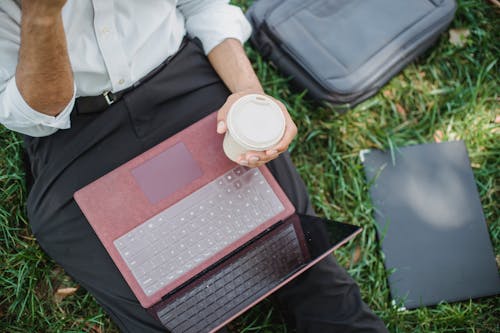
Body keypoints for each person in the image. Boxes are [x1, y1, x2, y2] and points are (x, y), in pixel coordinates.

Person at [0, 1, 389, 332]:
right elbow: (33, 113)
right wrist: (42, 17)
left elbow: (203, 6)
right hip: (73, 132)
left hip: (182, 87)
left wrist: (248, 94)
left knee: (299, 259)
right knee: (161, 309)